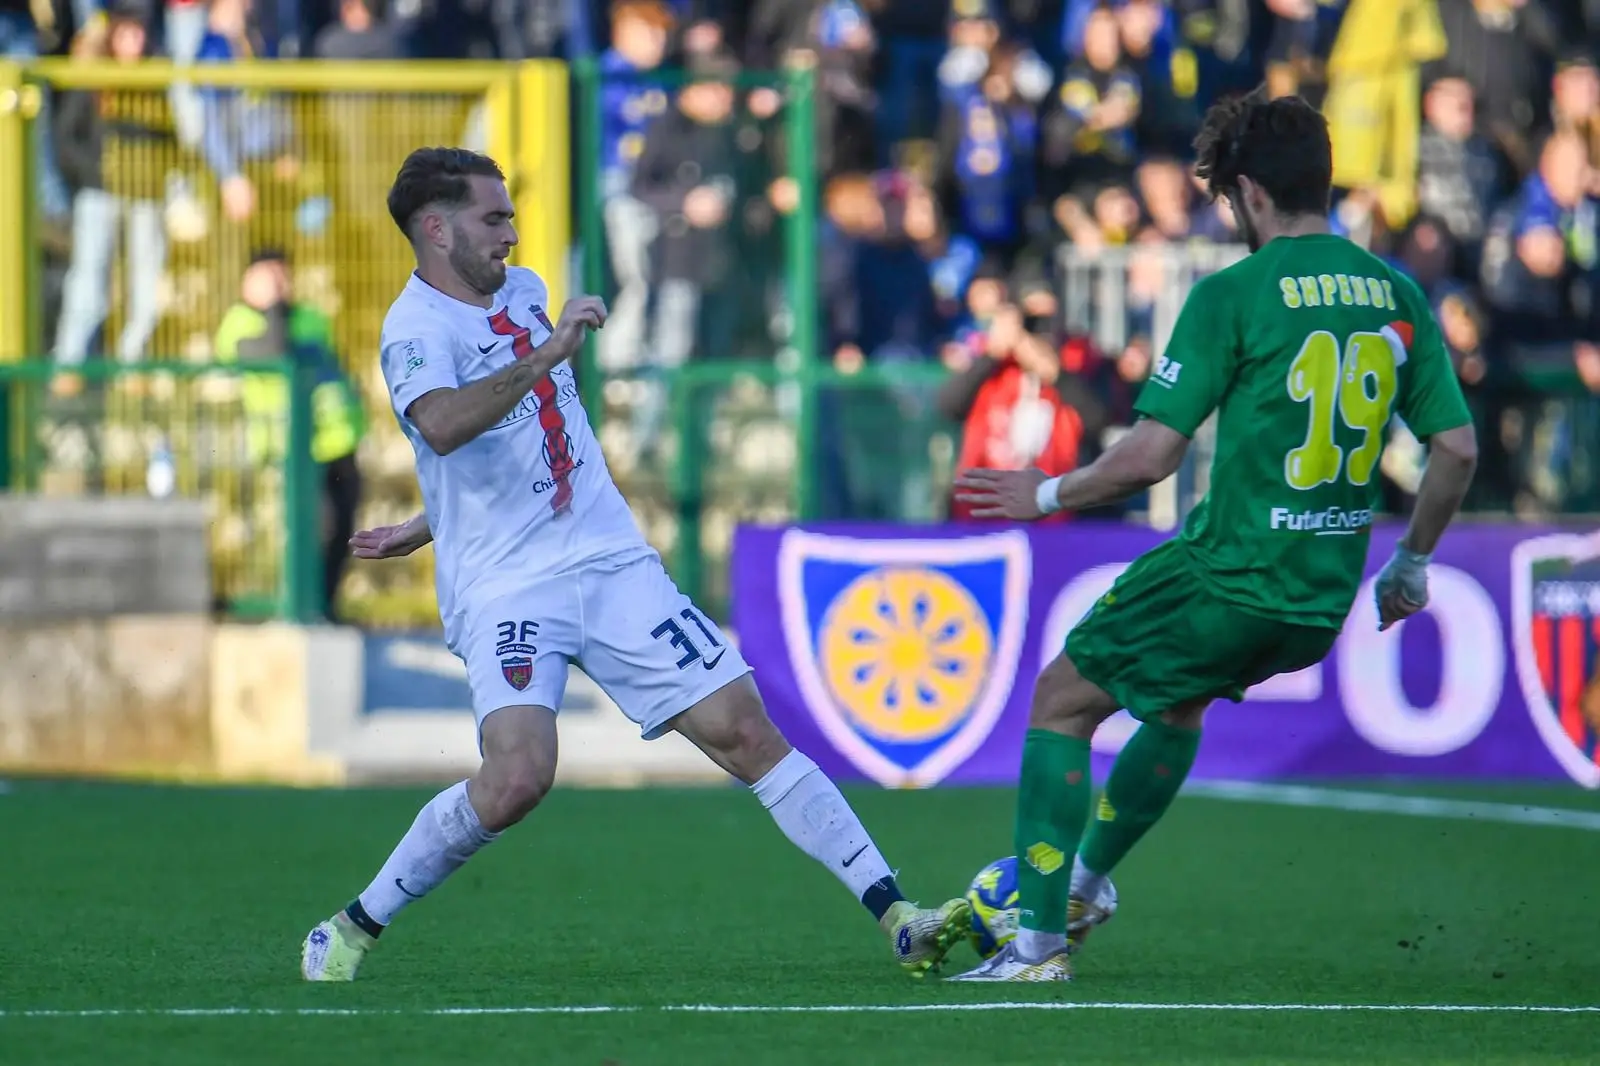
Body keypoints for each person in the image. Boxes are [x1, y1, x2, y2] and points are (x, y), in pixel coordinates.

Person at [299, 147, 969, 982]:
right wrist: (544, 362)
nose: (511, 233)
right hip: (506, 584)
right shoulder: (414, 330)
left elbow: (522, 439)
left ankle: (898, 915)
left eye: (511, 216)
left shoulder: (527, 290)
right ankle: (352, 927)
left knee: (746, 731)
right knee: (516, 778)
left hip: (611, 560)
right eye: (493, 218)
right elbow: (438, 425)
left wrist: (429, 518)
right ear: (435, 230)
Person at [948, 87, 1479, 982]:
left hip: (1231, 572)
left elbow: (1150, 456)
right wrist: (1412, 564)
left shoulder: (1234, 292)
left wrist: (1042, 494)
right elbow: (1456, 450)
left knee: (1060, 701)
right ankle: (1085, 883)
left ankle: (1035, 946)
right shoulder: (1396, 292)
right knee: (1177, 701)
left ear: (1249, 193)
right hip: (1318, 600)